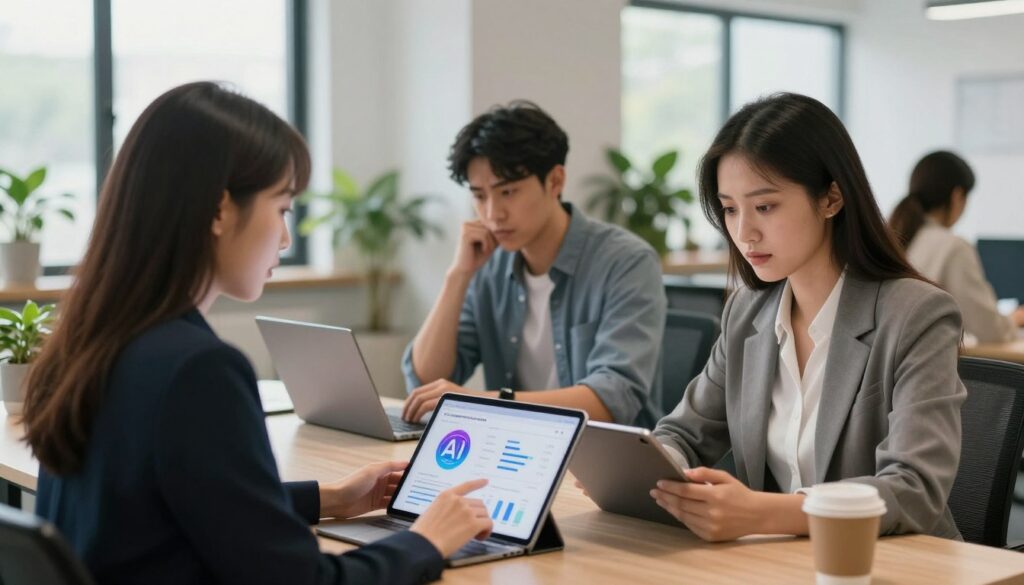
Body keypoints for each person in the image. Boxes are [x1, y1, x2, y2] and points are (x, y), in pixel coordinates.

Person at [20, 82, 492, 585]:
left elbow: (168, 503)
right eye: (283, 208)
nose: (287, 238)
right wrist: (427, 541)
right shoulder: (198, 369)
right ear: (220, 210)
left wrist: (327, 498)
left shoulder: (89, 342)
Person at [642, 93, 966, 541]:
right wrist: (649, 466)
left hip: (890, 565)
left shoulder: (916, 315)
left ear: (831, 197)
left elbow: (913, 490)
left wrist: (762, 514)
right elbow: (686, 434)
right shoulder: (746, 313)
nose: (743, 232)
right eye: (731, 209)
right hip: (781, 564)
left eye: (765, 206)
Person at [400, 101, 667, 427]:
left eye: (508, 192)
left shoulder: (626, 262)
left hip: (602, 465)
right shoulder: (490, 265)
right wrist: (458, 276)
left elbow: (613, 398)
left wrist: (486, 402)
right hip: (513, 454)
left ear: (555, 182)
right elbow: (427, 381)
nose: (493, 213)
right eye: (480, 196)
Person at [889, 150, 1024, 343]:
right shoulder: (952, 246)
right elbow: (988, 329)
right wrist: (1014, 319)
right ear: (957, 195)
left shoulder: (894, 237)